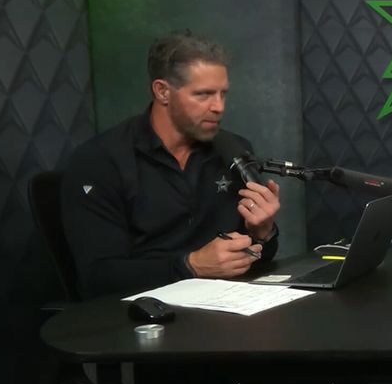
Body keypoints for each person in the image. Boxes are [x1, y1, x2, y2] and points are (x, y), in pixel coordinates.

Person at [61, 32, 281, 298]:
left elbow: (255, 257)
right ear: (162, 91)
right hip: (142, 310)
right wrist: (191, 266)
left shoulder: (233, 150)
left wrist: (263, 233)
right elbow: (98, 278)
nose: (219, 107)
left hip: (226, 302)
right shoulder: (102, 160)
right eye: (203, 95)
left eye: (223, 94)